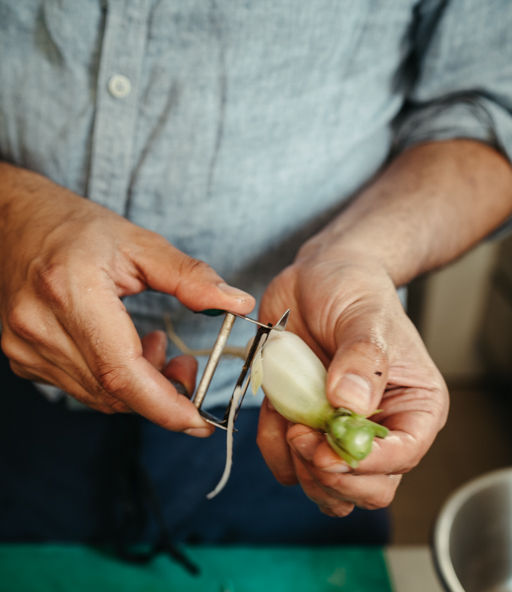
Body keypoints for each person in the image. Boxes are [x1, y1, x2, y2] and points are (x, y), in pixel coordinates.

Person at [1, 0, 512, 550]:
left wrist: (357, 256)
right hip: (19, 382)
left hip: (272, 431)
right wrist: (12, 214)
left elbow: (491, 112)